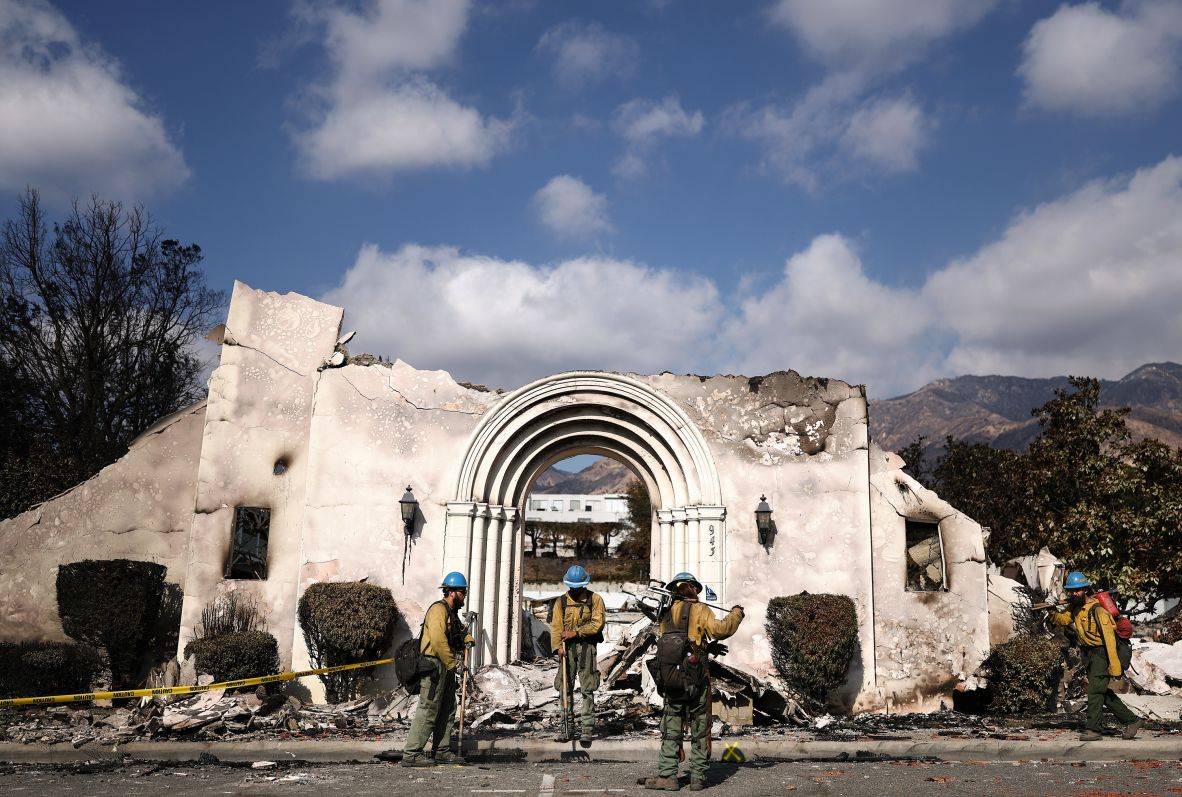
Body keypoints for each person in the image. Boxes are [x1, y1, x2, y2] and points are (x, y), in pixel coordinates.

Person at [645, 572, 744, 792]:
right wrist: (736, 613)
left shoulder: (665, 611)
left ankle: (667, 777)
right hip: (696, 678)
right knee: (700, 725)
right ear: (694, 590)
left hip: (671, 679)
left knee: (671, 726)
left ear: (673, 590)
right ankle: (697, 777)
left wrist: (707, 645)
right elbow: (720, 630)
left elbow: (678, 641)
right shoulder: (700, 609)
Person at [1047, 571, 1142, 741]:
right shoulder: (1075, 607)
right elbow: (1062, 620)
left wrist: (1115, 667)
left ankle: (1093, 729)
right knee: (1101, 692)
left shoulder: (1098, 610)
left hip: (1101, 653)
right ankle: (1132, 720)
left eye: (1077, 590)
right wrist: (1051, 608)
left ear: (1085, 589)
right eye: (1071, 591)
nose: (1074, 594)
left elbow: (1110, 640)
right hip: (1087, 654)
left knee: (1095, 692)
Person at [402, 571, 474, 766]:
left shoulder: (451, 612)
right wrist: (453, 663)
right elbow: (438, 640)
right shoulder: (438, 610)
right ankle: (412, 754)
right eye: (462, 592)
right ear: (451, 592)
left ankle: (441, 751)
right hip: (434, 665)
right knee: (428, 709)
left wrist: (467, 639)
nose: (464, 596)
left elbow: (458, 632)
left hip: (445, 665)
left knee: (448, 709)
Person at [550, 564, 606, 743]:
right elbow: (556, 626)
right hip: (566, 648)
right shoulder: (561, 602)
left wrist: (576, 633)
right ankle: (567, 727)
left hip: (586, 648)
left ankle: (587, 729)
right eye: (572, 587)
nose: (574, 590)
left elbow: (598, 624)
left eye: (578, 587)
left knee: (587, 688)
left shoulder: (595, 599)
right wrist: (557, 647)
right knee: (564, 688)